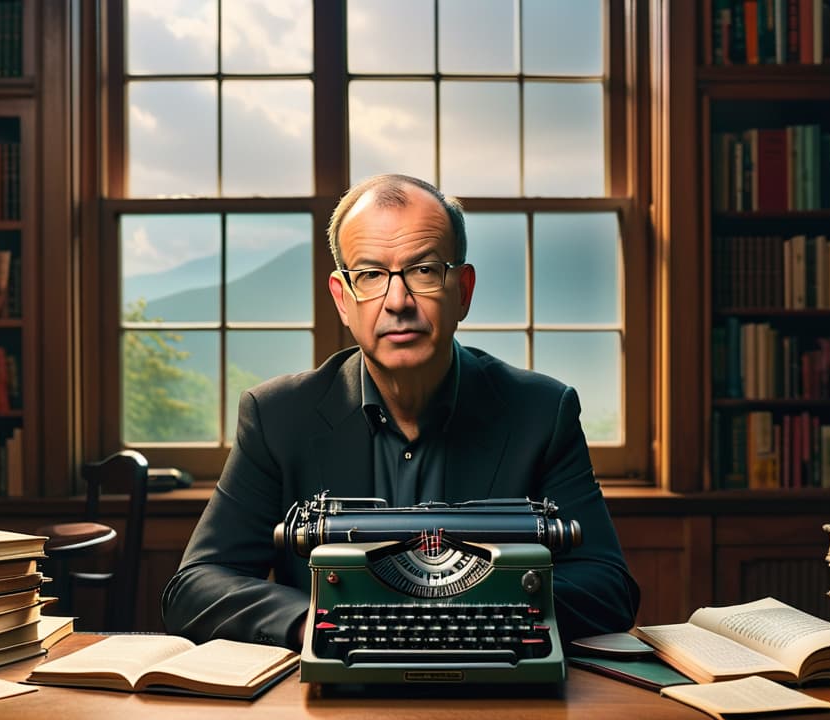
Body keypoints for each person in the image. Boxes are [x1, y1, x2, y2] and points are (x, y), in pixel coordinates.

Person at [162, 173, 640, 650]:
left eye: (424, 271)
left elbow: (608, 585)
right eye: (370, 275)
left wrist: (483, 609)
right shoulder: (276, 416)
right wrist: (311, 621)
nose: (397, 302)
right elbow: (196, 585)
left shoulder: (542, 412)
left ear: (464, 291)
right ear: (342, 300)